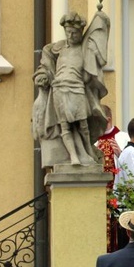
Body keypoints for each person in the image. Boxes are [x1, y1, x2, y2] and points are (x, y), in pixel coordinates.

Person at [32, 10, 109, 167]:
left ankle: (87, 149)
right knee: (65, 126)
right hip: (59, 89)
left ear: (80, 32)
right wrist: (43, 76)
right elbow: (45, 67)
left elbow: (90, 72)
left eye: (74, 33)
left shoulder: (84, 50)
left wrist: (85, 78)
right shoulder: (56, 49)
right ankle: (73, 156)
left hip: (77, 88)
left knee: (83, 123)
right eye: (68, 32)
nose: (71, 36)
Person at [96, 105, 124, 252]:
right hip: (97, 196)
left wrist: (120, 154)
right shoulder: (92, 140)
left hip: (117, 195)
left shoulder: (123, 138)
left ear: (107, 120)